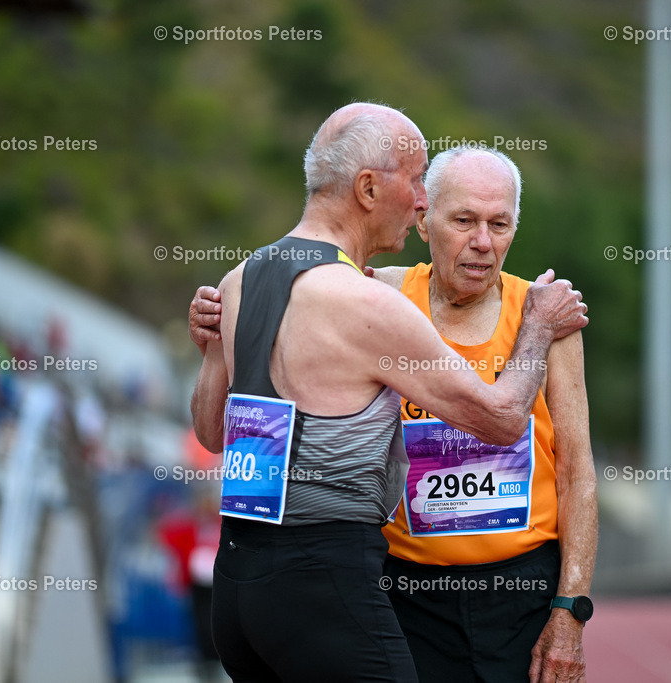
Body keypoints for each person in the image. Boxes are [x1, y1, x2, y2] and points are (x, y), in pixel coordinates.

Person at [190, 103, 587, 682]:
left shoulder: (243, 278)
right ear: (368, 188)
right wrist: (537, 329)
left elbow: (209, 432)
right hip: (327, 583)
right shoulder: (372, 303)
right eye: (417, 180)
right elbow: (503, 420)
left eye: (498, 224)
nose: (421, 198)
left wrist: (213, 347)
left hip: (241, 589)